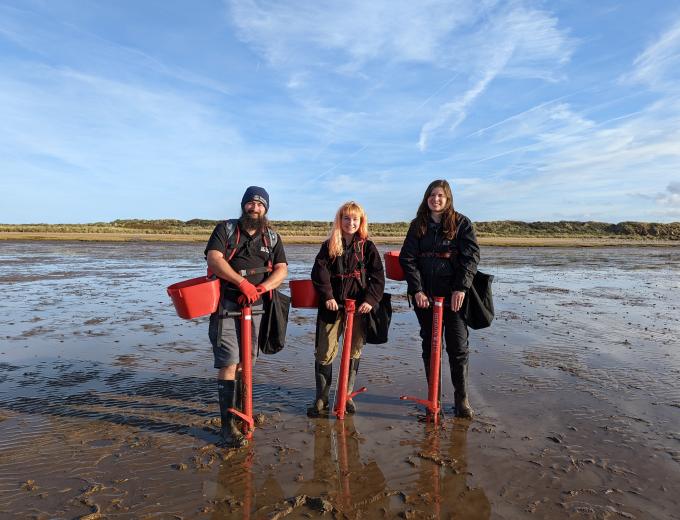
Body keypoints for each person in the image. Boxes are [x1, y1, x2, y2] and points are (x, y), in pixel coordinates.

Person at [205, 186, 288, 447]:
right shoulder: (225, 230)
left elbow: (282, 269)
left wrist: (262, 288)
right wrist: (241, 284)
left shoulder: (272, 237)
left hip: (258, 308)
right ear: (243, 205)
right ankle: (228, 425)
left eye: (260, 204)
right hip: (227, 306)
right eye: (251, 203)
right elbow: (214, 259)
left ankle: (244, 412)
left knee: (247, 363)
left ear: (266, 209)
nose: (255, 208)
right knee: (229, 362)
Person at [399, 180, 480, 419]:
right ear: (426, 198)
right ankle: (433, 396)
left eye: (441, 196)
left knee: (457, 346)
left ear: (448, 199)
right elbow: (407, 259)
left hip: (454, 296)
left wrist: (461, 288)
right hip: (425, 297)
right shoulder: (418, 225)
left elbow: (471, 257)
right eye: (432, 195)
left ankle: (461, 399)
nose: (436, 199)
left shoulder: (461, 223)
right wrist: (417, 291)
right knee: (430, 345)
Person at [308, 201, 385, 417]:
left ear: (361, 222)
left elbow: (378, 277)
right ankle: (321, 399)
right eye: (346, 218)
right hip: (332, 307)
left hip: (359, 309)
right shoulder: (329, 245)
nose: (350, 223)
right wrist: (328, 296)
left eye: (355, 219)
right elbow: (319, 273)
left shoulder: (367, 247)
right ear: (339, 220)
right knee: (324, 352)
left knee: (354, 351)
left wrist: (370, 300)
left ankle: (347, 395)